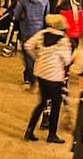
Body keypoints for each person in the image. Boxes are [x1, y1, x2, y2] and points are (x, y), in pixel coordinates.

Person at [23, 14, 72, 143]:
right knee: (56, 105)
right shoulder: (63, 41)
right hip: (55, 76)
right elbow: (67, 60)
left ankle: (29, 130)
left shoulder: (42, 34)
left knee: (42, 102)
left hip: (41, 74)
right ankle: (52, 134)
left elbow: (27, 45)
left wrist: (37, 57)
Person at [14, 0, 50, 87]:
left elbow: (16, 14)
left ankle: (29, 76)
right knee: (36, 54)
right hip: (39, 31)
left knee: (27, 53)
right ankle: (34, 74)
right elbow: (46, 15)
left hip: (26, 29)